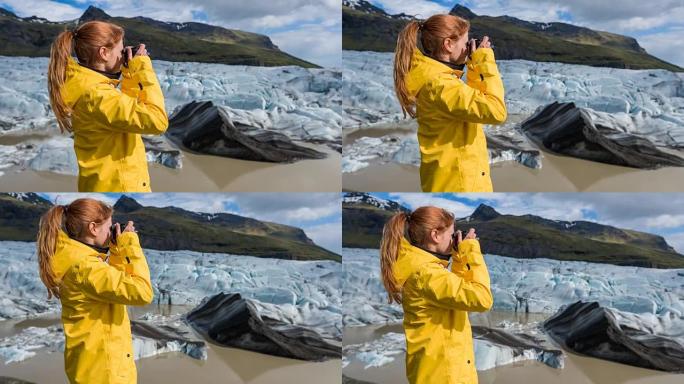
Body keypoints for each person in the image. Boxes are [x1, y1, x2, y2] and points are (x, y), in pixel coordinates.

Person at [36, 198, 154, 383]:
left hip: (93, 365)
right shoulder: (86, 268)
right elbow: (142, 292)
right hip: (104, 372)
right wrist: (130, 244)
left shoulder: (77, 261)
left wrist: (115, 252)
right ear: (93, 228)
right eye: (109, 226)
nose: (113, 230)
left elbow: (115, 289)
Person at [47, 20, 168, 192]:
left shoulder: (89, 88)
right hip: (119, 185)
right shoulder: (97, 96)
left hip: (106, 182)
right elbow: (157, 121)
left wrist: (130, 74)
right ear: (104, 53)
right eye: (121, 50)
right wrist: (142, 68)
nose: (124, 53)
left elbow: (129, 115)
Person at [393, 14, 507, 192]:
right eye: (465, 42)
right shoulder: (441, 85)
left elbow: (477, 104)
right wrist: (484, 60)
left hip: (456, 178)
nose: (468, 47)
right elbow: (496, 111)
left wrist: (474, 68)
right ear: (448, 45)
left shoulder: (440, 80)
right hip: (459, 183)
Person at [379, 206, 493, 383]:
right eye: (451, 234)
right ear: (435, 235)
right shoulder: (427, 274)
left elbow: (458, 296)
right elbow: (481, 299)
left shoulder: (423, 270)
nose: (454, 238)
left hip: (439, 370)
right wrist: (471, 251)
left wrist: (459, 259)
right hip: (444, 375)